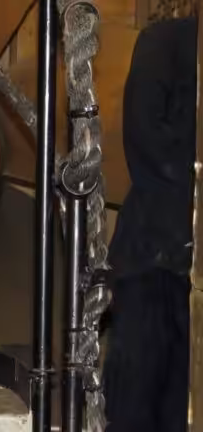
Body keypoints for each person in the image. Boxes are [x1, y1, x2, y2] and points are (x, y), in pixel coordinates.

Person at [104, 15, 197, 432]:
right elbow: (143, 140)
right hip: (153, 265)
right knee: (136, 413)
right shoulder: (166, 42)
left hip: (176, 265)